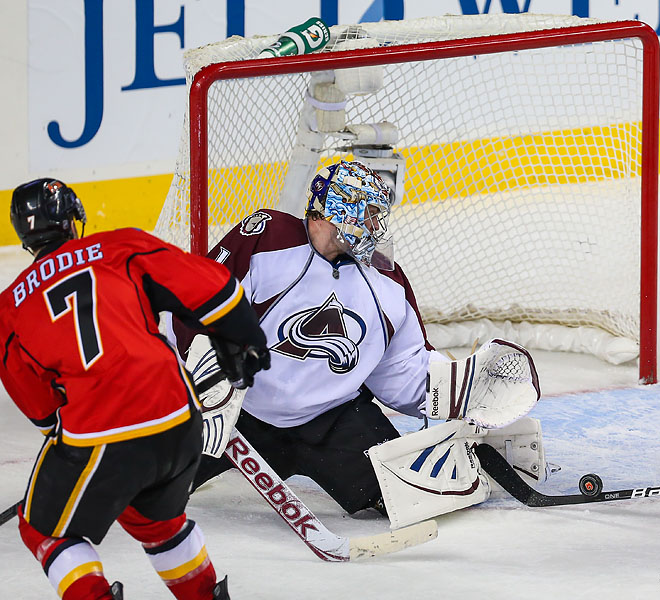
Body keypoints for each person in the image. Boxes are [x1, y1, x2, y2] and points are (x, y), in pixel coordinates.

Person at [173, 160, 541, 527]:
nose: (376, 227)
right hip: (238, 413)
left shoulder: (386, 279)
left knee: (412, 498)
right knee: (152, 481)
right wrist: (206, 381)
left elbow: (402, 371)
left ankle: (476, 461)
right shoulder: (267, 239)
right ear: (339, 208)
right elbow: (197, 302)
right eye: (370, 214)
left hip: (334, 422)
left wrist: (459, 391)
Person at [0, 179, 270, 599]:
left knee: (42, 530)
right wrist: (244, 335)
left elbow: (42, 409)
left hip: (103, 433)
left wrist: (69, 449)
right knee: (158, 524)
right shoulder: (119, 246)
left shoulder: (9, 308)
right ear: (73, 218)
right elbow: (212, 286)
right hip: (179, 420)